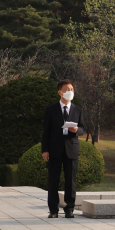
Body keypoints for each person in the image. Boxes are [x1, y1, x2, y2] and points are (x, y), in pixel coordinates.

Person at [41, 80, 85, 218]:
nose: (70, 91)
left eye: (72, 89)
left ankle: (69, 208)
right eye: (67, 89)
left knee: (70, 180)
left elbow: (83, 128)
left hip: (71, 149)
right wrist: (45, 150)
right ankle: (53, 210)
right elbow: (45, 132)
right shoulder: (51, 110)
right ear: (60, 92)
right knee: (53, 180)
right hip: (54, 149)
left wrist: (77, 129)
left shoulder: (78, 110)